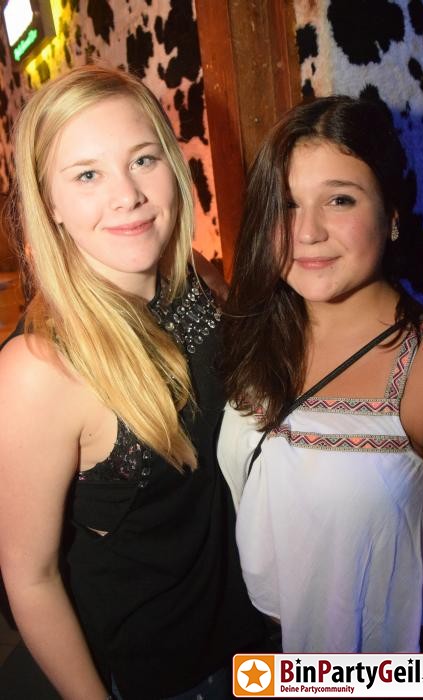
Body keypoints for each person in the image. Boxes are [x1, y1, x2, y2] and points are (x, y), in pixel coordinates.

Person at [0, 64, 266, 700]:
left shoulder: (195, 280)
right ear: (50, 204)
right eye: (87, 175)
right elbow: (30, 578)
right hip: (158, 677)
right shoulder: (39, 371)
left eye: (142, 160)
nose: (128, 195)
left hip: (253, 639)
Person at [218, 96, 423, 654]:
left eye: (339, 199)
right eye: (287, 204)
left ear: (392, 214)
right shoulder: (252, 334)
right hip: (256, 660)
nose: (306, 232)